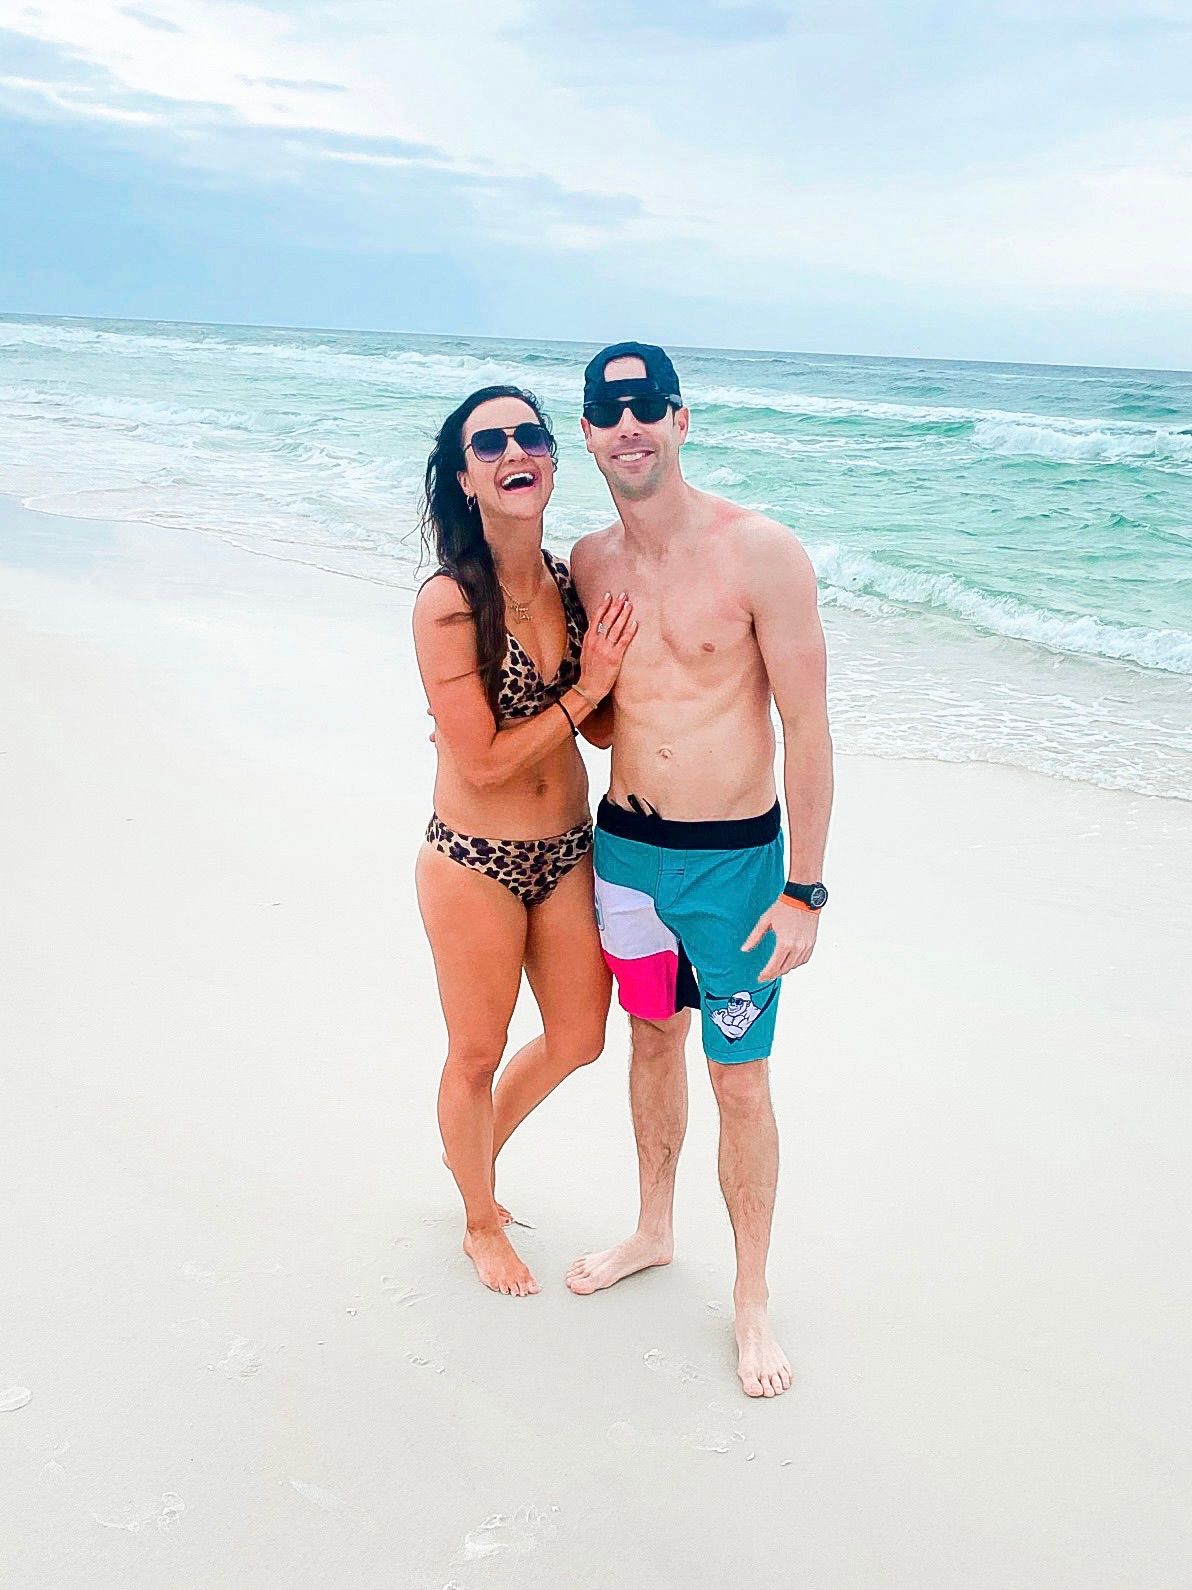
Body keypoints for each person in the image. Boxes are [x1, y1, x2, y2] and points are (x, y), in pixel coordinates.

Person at [564, 343, 833, 1399]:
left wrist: (804, 889)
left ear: (681, 420)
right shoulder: (589, 563)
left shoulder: (762, 551)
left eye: (645, 407)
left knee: (741, 1077)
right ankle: (650, 1229)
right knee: (648, 1041)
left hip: (733, 869)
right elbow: (596, 724)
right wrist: (588, 683)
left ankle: (751, 1299)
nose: (627, 426)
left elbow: (808, 729)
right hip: (627, 860)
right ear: (584, 434)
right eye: (605, 411)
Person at [414, 385, 636, 1297]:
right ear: (466, 477)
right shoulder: (447, 602)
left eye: (529, 436)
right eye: (490, 441)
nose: (515, 449)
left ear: (549, 460)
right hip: (475, 860)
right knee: (476, 1050)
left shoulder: (568, 578)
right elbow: (488, 761)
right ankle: (478, 1217)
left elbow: (605, 732)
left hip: (567, 850)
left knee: (581, 1035)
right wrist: (589, 687)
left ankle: (474, 1152)